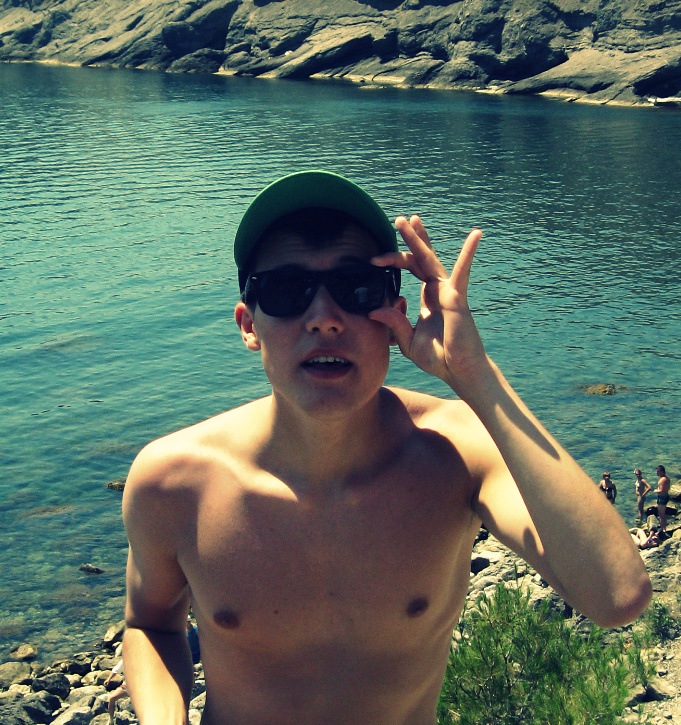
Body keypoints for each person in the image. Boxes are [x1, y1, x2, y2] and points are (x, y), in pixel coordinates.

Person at [122, 171, 652, 725]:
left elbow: (616, 594)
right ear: (248, 325)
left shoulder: (457, 451)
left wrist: (475, 376)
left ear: (395, 315)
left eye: (355, 288)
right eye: (286, 290)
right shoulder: (173, 482)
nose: (324, 319)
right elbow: (150, 625)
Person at [655, 464, 671, 533]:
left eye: (657, 471)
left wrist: (655, 490)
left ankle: (662, 529)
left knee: (661, 514)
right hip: (665, 496)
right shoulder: (667, 478)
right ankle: (664, 527)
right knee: (662, 513)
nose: (656, 473)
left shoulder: (662, 480)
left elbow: (661, 490)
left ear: (661, 471)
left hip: (662, 497)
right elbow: (667, 488)